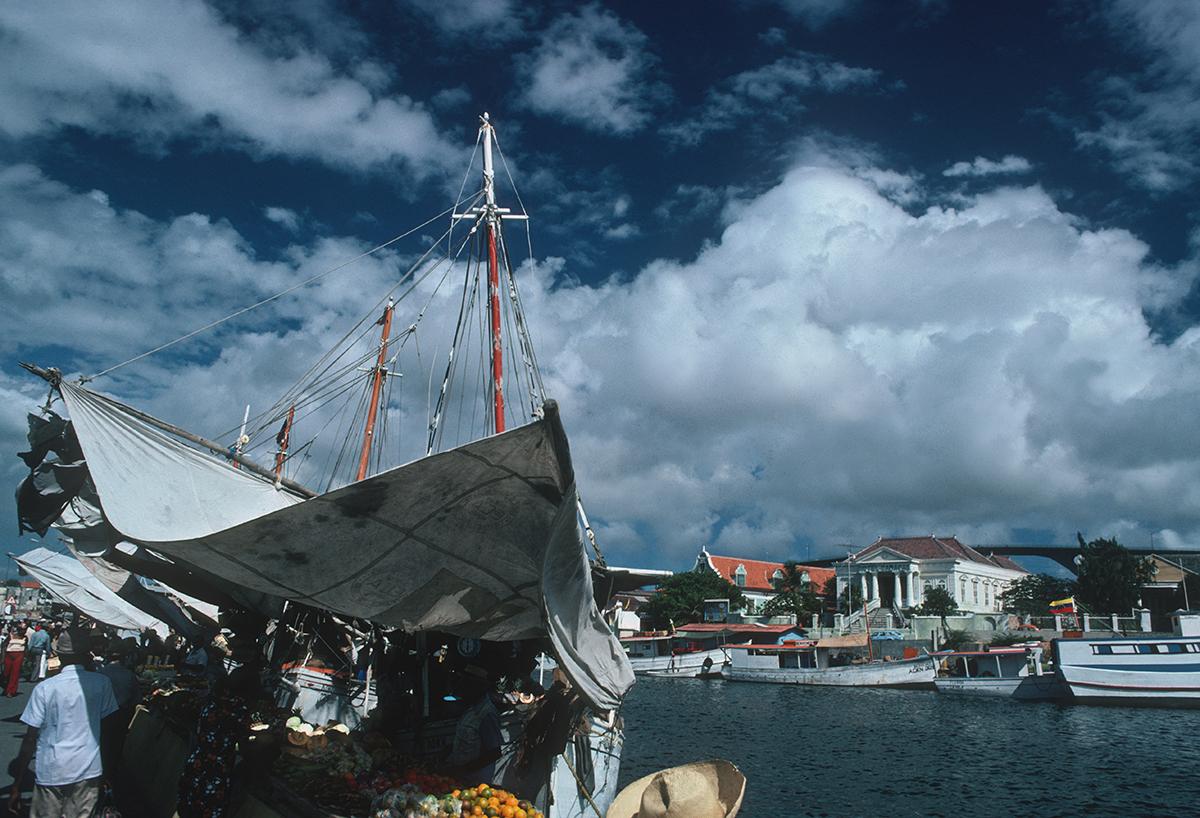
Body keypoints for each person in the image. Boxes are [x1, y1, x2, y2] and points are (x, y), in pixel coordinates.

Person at [8, 627, 120, 818]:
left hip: (52, 770)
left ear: (58, 655)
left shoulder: (45, 688)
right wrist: (108, 773)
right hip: (89, 770)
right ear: (87, 654)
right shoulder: (102, 683)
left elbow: (30, 739)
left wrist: (17, 784)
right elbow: (110, 732)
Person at [175, 665, 259, 818]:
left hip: (196, 763)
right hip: (216, 772)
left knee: (187, 809)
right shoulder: (240, 710)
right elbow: (244, 747)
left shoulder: (211, 701)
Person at [445, 665, 504, 785]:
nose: (463, 688)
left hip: (476, 782)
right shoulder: (471, 709)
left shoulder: (486, 714)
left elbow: (494, 752)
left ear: (478, 687)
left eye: (467, 684)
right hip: (462, 778)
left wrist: (465, 768)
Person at [4, 623, 27, 697]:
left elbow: (26, 648)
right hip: (9, 654)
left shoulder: (25, 638)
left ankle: (11, 691)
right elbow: (4, 645)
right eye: (21, 630)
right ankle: (6, 688)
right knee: (6, 672)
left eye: (23, 630)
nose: (22, 631)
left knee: (15, 673)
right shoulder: (11, 636)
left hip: (19, 655)